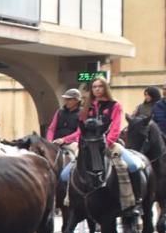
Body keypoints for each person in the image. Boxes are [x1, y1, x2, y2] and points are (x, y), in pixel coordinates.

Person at [55, 75, 139, 212]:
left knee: (133, 165)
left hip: (109, 145)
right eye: (94, 87)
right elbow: (79, 132)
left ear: (105, 88)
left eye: (100, 86)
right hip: (88, 146)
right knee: (65, 175)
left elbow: (115, 128)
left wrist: (106, 143)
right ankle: (71, 204)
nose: (97, 89)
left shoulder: (115, 105)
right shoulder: (86, 107)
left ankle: (136, 202)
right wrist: (65, 140)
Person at [45, 88, 83, 158]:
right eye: (65, 99)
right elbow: (51, 129)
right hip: (55, 142)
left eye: (69, 99)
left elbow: (79, 132)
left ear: (77, 101)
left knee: (78, 151)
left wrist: (64, 140)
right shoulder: (59, 112)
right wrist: (49, 141)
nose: (66, 101)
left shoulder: (82, 113)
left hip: (72, 143)